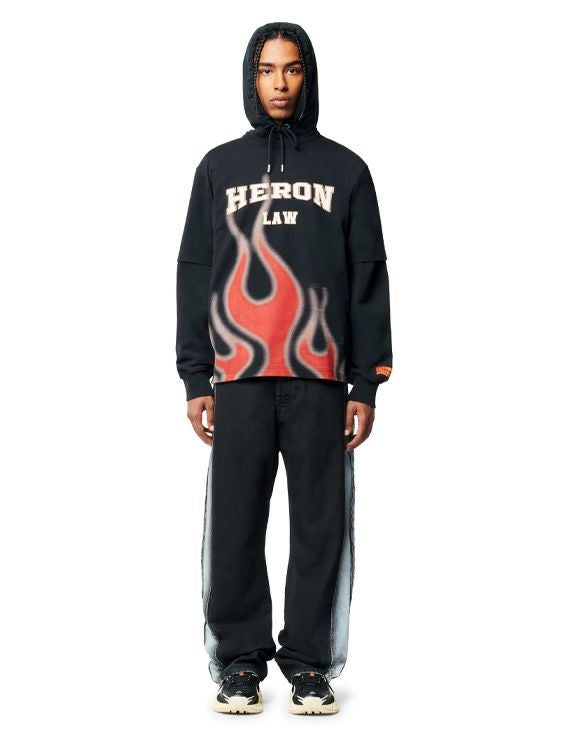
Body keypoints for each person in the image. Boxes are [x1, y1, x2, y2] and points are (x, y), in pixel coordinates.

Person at [176, 21, 393, 715]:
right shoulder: (218, 168)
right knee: (235, 523)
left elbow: (369, 275)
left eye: (292, 69)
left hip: (320, 378)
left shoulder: (347, 170)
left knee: (320, 526)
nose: (279, 83)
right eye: (267, 70)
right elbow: (195, 271)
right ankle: (240, 664)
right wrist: (195, 375)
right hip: (238, 376)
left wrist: (366, 382)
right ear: (251, 77)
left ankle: (310, 665)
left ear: (308, 76)